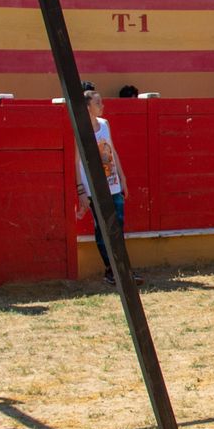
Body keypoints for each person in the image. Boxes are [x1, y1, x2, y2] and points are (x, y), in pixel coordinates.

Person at [74, 90, 139, 287]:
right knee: (103, 229)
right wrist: (81, 191)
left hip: (113, 183)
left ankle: (121, 269)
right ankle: (112, 270)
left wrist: (122, 178)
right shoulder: (81, 130)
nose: (102, 106)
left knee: (117, 227)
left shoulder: (104, 124)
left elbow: (112, 151)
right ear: (87, 107)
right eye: (98, 103)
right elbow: (76, 162)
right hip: (94, 188)